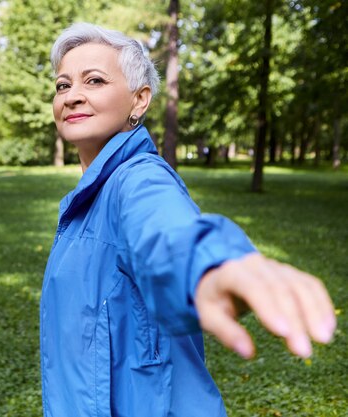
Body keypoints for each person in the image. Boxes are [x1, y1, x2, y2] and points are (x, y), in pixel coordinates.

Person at [40, 22, 336, 417]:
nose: (72, 96)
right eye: (63, 85)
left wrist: (207, 267)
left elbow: (167, 232)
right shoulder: (88, 197)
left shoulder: (138, 177)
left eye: (94, 81)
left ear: (139, 100)